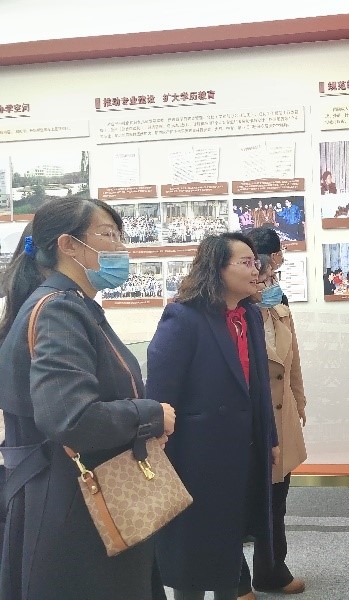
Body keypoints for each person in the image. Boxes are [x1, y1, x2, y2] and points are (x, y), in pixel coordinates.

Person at [0, 197, 174, 600]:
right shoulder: (59, 310)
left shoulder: (71, 305)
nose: (120, 247)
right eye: (108, 234)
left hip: (80, 495)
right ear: (69, 245)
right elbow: (71, 416)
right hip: (72, 504)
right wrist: (150, 415)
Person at [147, 233, 278, 600]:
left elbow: (259, 387)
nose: (256, 270)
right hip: (195, 456)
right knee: (192, 554)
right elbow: (161, 392)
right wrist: (159, 451)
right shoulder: (183, 316)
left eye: (256, 262)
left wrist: (269, 439)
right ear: (217, 268)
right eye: (246, 263)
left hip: (242, 450)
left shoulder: (249, 316)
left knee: (229, 544)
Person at [238, 226, 307, 598]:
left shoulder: (279, 305)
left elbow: (292, 360)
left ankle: (271, 570)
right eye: (262, 276)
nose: (267, 282)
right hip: (245, 421)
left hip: (281, 416)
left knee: (276, 501)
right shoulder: (230, 312)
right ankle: (235, 579)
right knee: (238, 499)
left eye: (271, 276)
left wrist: (300, 399)